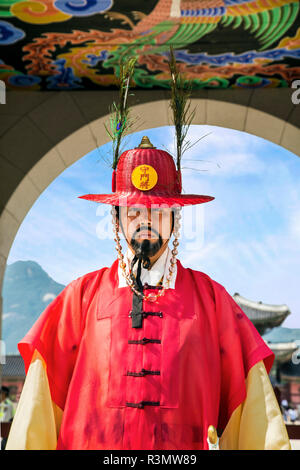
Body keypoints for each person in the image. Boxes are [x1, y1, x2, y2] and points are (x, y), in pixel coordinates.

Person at [6, 136, 291, 450]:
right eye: (132, 210)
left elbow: (255, 416)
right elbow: (37, 414)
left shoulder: (213, 301)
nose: (145, 219)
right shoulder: (78, 300)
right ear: (116, 219)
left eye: (158, 210)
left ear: (175, 218)